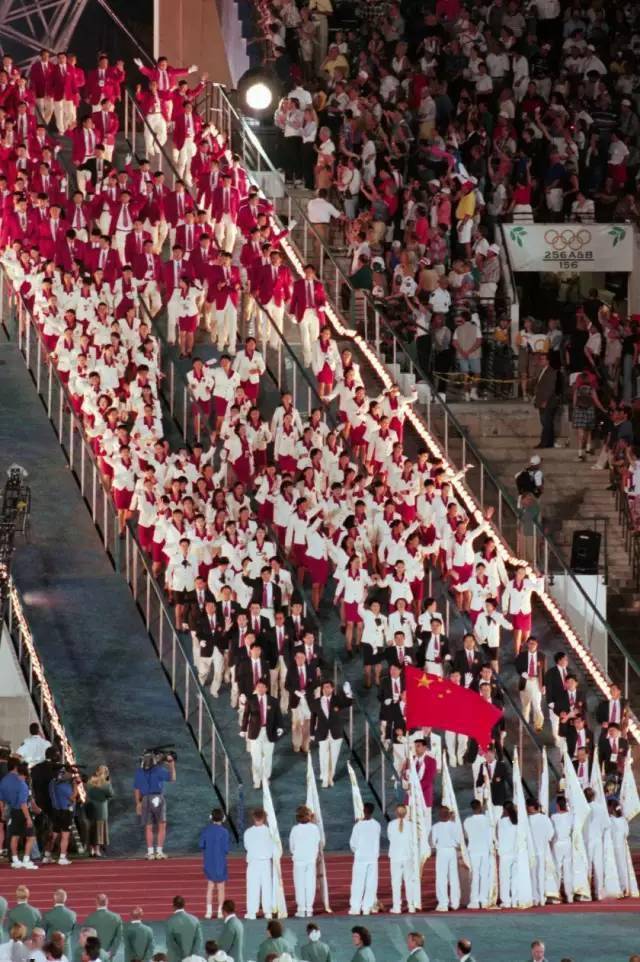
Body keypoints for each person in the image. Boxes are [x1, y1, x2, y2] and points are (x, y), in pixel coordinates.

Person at [240, 677, 284, 789]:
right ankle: (257, 780)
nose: (260, 688)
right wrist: (243, 729)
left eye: (263, 687)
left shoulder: (273, 701)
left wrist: (280, 727)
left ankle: (266, 778)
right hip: (255, 732)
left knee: (268, 756)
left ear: (266, 688)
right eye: (258, 686)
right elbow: (246, 715)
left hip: (269, 732)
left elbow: (278, 715)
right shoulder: (251, 699)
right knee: (256, 757)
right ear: (256, 687)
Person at [133, 750, 176, 859]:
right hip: (157, 798)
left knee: (148, 827)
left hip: (145, 799)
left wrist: (138, 803)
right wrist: (171, 765)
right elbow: (172, 778)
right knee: (162, 825)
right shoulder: (158, 770)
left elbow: (137, 789)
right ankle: (159, 851)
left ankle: (150, 852)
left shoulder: (139, 772)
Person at [309, 679, 353, 788]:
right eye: (324, 687)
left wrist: (348, 692)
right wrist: (312, 733)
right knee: (323, 755)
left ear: (333, 688)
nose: (326, 689)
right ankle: (324, 777)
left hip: (336, 733)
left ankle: (330, 777)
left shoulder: (337, 699)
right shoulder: (316, 701)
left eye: (328, 687)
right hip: (322, 732)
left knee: (333, 756)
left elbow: (349, 702)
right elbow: (313, 717)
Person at [2, 762, 38, 870]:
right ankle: (26, 860)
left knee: (15, 836)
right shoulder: (23, 785)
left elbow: (3, 798)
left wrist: (3, 812)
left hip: (13, 811)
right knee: (31, 836)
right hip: (22, 812)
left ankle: (15, 860)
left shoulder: (9, 782)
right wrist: (28, 818)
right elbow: (23, 803)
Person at [289, 805, 322, 917]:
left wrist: (296, 853)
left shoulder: (295, 829)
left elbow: (291, 846)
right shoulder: (315, 828)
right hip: (310, 859)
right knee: (310, 884)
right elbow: (317, 843)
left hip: (299, 860)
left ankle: (302, 909)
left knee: (300, 884)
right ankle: (309, 908)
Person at [349, 802, 381, 916]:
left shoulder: (358, 825)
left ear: (364, 811)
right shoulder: (377, 825)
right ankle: (367, 907)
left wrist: (357, 852)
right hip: (372, 857)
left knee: (358, 883)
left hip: (361, 857)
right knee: (371, 883)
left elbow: (353, 843)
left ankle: (355, 908)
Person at [243, 809, 275, 920]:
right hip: (265, 862)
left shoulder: (248, 832)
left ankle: (252, 912)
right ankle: (268, 912)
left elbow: (246, 847)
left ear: (253, 818)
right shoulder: (270, 831)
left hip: (254, 863)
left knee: (252, 888)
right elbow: (273, 846)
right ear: (264, 818)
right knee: (267, 887)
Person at [199, 809, 230, 920]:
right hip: (220, 862)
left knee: (210, 887)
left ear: (211, 817)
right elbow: (226, 849)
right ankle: (220, 912)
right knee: (221, 888)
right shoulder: (224, 832)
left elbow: (201, 845)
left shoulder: (206, 830)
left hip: (209, 862)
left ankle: (208, 911)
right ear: (223, 819)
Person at [430, 807, 462, 912]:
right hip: (452, 851)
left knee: (441, 878)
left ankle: (443, 903)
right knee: (453, 877)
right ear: (448, 815)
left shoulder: (435, 827)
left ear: (440, 815)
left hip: (442, 852)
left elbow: (433, 842)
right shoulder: (455, 826)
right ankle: (455, 903)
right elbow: (459, 841)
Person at [463, 799, 493, 910]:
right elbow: (491, 835)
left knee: (475, 875)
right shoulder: (488, 820)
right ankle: (483, 900)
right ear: (480, 807)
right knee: (484, 875)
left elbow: (466, 836)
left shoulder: (467, 821)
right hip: (485, 849)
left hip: (473, 850)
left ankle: (474, 900)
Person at [387, 804, 414, 914]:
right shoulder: (411, 825)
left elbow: (390, 838)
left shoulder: (391, 825)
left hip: (396, 856)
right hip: (408, 856)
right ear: (406, 813)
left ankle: (397, 906)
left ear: (396, 813)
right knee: (409, 881)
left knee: (396, 882)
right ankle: (411, 905)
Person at [85, 766, 114, 857]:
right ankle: (97, 850)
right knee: (99, 830)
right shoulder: (106, 784)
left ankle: (91, 850)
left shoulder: (89, 783)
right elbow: (111, 794)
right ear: (106, 773)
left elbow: (87, 793)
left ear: (96, 772)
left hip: (90, 809)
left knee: (91, 829)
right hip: (101, 810)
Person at [533, 354, 560, 449]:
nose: (540, 360)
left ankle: (544, 443)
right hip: (541, 400)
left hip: (548, 401)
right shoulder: (542, 371)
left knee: (546, 422)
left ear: (548, 361)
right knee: (546, 422)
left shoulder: (551, 372)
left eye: (542, 359)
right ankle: (549, 442)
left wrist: (545, 400)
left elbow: (551, 388)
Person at [164, 897, 203, 962]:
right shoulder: (195, 919)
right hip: (193, 959)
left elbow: (170, 942)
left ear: (173, 906)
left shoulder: (169, 921)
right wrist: (193, 955)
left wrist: (182, 957)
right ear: (184, 905)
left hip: (176, 958)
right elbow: (199, 939)